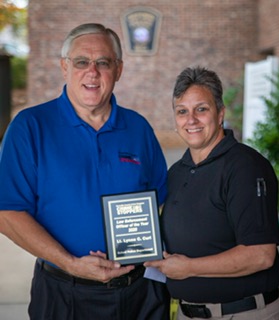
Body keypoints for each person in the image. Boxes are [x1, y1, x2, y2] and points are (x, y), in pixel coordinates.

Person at [0, 23, 170, 320]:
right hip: (63, 293)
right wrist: (70, 263)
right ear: (64, 67)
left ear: (118, 70)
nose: (92, 72)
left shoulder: (138, 128)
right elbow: (7, 213)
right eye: (81, 62)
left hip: (139, 294)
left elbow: (162, 201)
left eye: (103, 62)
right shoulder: (30, 127)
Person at [144, 66, 279, 320]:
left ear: (220, 114)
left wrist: (188, 269)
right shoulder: (176, 173)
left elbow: (260, 255)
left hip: (243, 313)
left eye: (201, 109)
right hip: (188, 313)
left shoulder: (244, 167)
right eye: (182, 111)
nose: (191, 120)